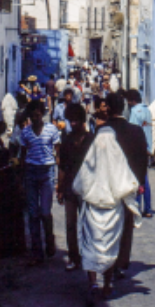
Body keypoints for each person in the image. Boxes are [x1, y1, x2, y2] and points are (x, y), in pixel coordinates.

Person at [73, 124, 142, 307]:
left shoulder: (91, 156)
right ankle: (107, 285)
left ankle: (92, 283)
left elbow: (78, 185)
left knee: (91, 247)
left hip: (92, 210)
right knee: (110, 247)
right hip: (113, 211)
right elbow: (128, 183)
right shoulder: (117, 156)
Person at [104, 93, 148, 277]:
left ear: (107, 108)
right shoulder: (136, 131)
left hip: (107, 185)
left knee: (108, 224)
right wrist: (139, 182)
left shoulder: (103, 131)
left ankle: (109, 262)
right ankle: (121, 261)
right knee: (126, 224)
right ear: (123, 108)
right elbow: (142, 159)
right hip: (129, 185)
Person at [20, 100, 61, 264]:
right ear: (30, 116)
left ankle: (49, 239)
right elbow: (23, 155)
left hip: (46, 173)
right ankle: (36, 251)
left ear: (42, 114)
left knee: (45, 211)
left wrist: (60, 179)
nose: (36, 117)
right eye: (33, 115)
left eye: (38, 114)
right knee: (33, 214)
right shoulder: (25, 132)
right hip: (30, 173)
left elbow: (58, 154)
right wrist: (21, 179)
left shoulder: (52, 130)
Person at [57, 104, 95, 272]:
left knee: (88, 224)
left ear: (82, 120)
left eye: (75, 120)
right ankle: (74, 257)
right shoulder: (66, 140)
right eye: (70, 120)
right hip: (70, 188)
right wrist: (59, 188)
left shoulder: (91, 139)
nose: (72, 123)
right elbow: (62, 166)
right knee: (70, 224)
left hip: (87, 188)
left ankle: (88, 256)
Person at [127, 90, 154, 218]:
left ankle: (137, 207)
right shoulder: (147, 111)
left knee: (137, 178)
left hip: (137, 148)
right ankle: (148, 208)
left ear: (132, 100)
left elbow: (132, 131)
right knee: (145, 178)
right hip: (147, 147)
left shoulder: (134, 111)